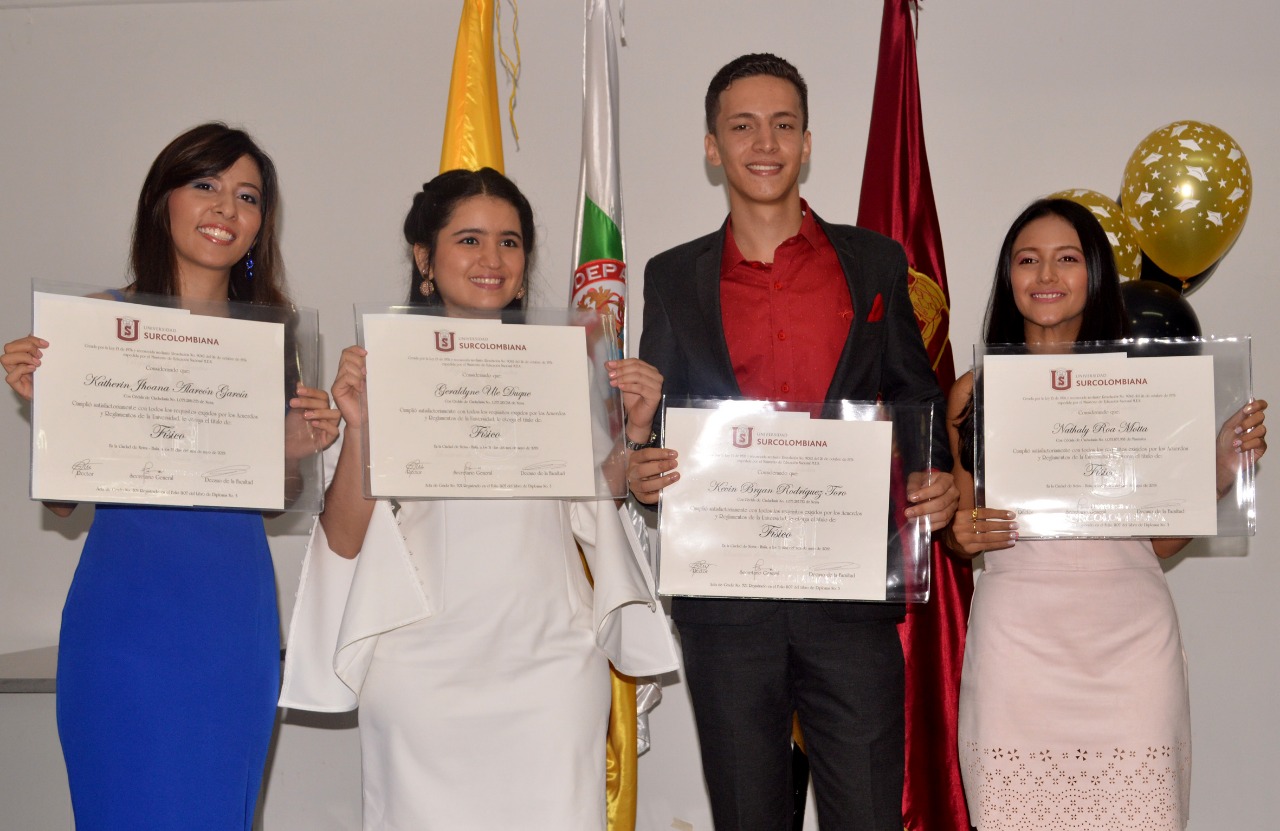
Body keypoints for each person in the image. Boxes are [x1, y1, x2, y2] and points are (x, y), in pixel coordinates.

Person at [278, 167, 678, 830]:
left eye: (511, 242)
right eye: (469, 239)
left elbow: (585, 505)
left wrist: (633, 430)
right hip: (420, 673)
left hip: (549, 671)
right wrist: (362, 422)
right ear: (424, 258)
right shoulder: (382, 365)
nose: (492, 259)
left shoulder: (562, 364)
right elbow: (345, 538)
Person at [628, 53, 958, 830]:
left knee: (871, 813)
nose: (764, 142)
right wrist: (645, 467)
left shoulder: (875, 261)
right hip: (726, 609)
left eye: (783, 125)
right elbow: (664, 415)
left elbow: (914, 390)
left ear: (807, 143)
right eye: (742, 126)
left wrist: (936, 474)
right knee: (748, 816)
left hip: (849, 598)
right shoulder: (672, 277)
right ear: (713, 147)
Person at [0, 122, 339, 830]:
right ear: (164, 199)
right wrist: (48, 404)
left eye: (247, 196)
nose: (226, 209)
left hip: (230, 620)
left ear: (260, 223)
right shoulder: (96, 322)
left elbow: (280, 499)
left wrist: (295, 445)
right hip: (126, 619)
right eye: (206, 185)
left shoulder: (270, 340)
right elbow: (63, 499)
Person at [943, 197, 1267, 830]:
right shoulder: (974, 389)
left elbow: (1161, 544)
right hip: (1019, 646)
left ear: (1094, 272)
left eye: (1067, 259)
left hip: (1131, 647)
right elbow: (966, 535)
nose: (1045, 276)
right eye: (1027, 260)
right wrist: (962, 534)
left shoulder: (1143, 386)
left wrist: (1223, 471)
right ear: (1008, 277)